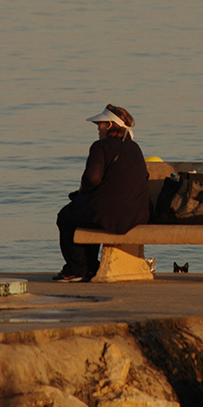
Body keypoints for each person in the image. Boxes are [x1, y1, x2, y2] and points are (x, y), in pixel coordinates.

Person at [54, 104, 151, 282]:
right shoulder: (135, 148)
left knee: (66, 216)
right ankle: (90, 267)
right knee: (90, 211)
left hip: (111, 215)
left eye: (101, 124)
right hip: (138, 215)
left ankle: (77, 268)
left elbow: (92, 179)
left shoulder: (100, 147)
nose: (98, 128)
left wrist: (83, 190)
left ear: (110, 126)